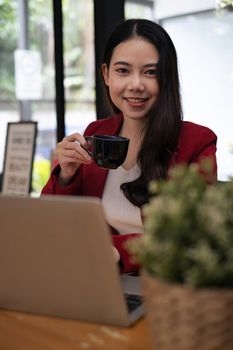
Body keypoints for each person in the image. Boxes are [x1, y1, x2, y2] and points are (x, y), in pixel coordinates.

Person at [42, 19, 217, 273]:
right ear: (106, 74)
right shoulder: (96, 133)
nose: (136, 84)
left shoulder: (197, 142)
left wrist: (111, 250)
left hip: (165, 285)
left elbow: (190, 235)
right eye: (123, 71)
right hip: (97, 278)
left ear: (167, 78)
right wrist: (66, 175)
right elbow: (52, 223)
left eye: (150, 72)